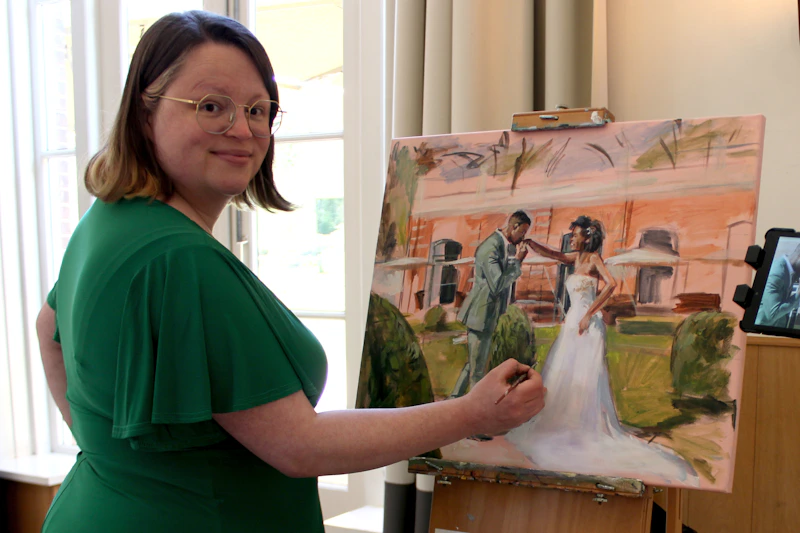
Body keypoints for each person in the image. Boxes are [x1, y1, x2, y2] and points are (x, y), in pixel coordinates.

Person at [36, 11, 546, 532]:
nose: (242, 129)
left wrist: (110, 456)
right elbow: (300, 446)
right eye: (211, 106)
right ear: (145, 113)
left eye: (258, 110)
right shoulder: (178, 257)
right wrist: (472, 413)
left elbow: (47, 329)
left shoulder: (112, 218)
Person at [504, 216, 699, 485]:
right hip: (572, 323)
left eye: (576, 234)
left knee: (584, 374)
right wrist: (532, 243)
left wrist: (590, 313)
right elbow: (555, 254)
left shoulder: (594, 259)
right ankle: (560, 422)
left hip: (587, 324)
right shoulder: (576, 257)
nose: (572, 238)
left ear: (588, 236)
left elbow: (611, 284)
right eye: (572, 234)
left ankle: (582, 427)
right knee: (563, 372)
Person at [449, 211, 531, 399]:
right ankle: (475, 412)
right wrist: (517, 261)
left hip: (488, 314)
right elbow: (497, 284)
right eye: (522, 232)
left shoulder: (502, 245)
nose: (522, 237)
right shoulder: (490, 247)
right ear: (514, 226)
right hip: (480, 313)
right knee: (477, 371)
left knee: (473, 364)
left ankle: (453, 399)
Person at [755, 243, 800, 327]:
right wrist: (797, 295)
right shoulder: (776, 274)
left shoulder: (790, 269)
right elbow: (773, 314)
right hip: (763, 329)